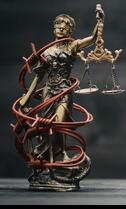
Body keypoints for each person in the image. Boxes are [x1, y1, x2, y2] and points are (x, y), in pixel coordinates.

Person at [18, 7, 104, 190]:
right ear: (53, 29)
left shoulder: (72, 46)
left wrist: (99, 22)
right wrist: (25, 100)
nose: (60, 29)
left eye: (64, 27)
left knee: (59, 123)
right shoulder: (46, 53)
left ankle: (64, 154)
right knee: (48, 127)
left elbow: (93, 39)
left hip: (64, 91)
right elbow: (38, 78)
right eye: (57, 26)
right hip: (49, 92)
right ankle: (47, 165)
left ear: (70, 30)